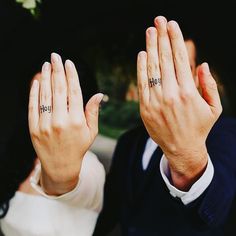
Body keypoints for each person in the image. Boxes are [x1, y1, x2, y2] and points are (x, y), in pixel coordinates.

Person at [30, 16, 236, 236]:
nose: (167, 76)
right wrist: (61, 181)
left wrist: (187, 158)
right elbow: (107, 211)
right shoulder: (129, 141)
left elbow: (216, 209)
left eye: (180, 66)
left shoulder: (224, 131)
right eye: (159, 65)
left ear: (196, 76)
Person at [0, 53, 105, 236]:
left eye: (58, 101)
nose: (47, 112)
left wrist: (60, 177)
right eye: (38, 99)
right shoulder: (19, 155)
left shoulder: (90, 168)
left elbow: (63, 184)